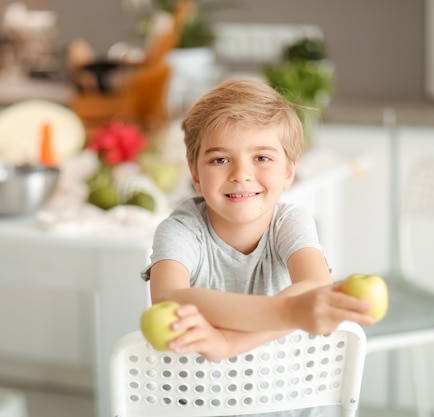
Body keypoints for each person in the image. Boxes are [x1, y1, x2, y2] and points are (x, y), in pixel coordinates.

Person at [140, 78, 374, 416]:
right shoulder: (180, 229)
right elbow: (169, 300)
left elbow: (314, 288)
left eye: (262, 157)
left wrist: (229, 344)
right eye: (220, 160)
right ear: (195, 172)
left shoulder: (290, 222)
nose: (241, 174)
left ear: (289, 171)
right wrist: (288, 312)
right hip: (198, 405)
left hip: (286, 403)